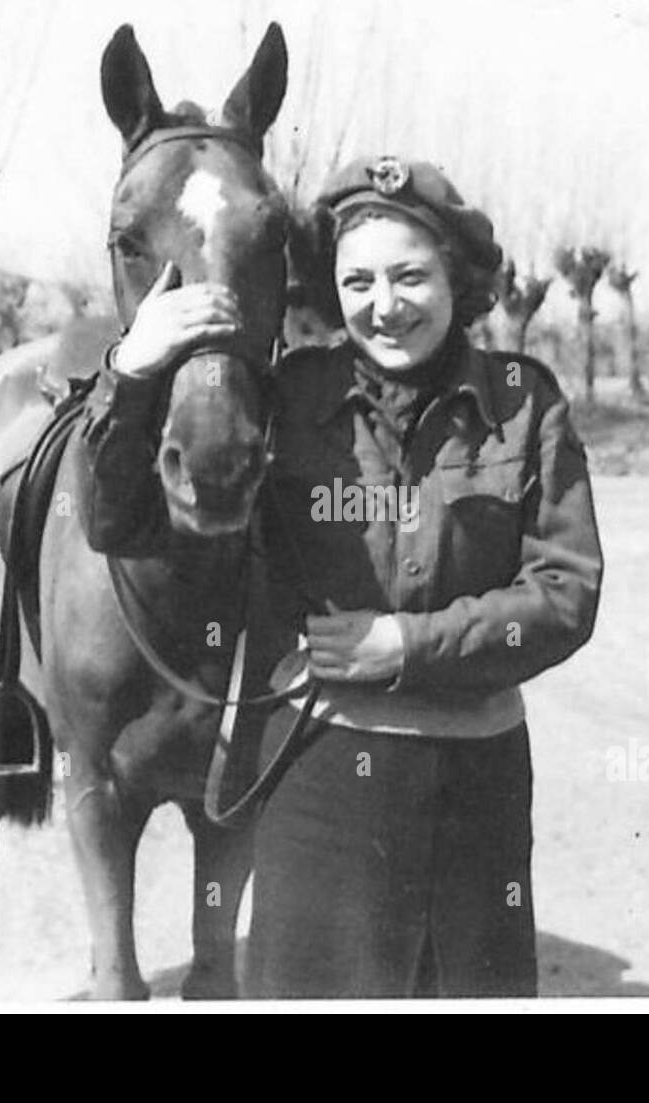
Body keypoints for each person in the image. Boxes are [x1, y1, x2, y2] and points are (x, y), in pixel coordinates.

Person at [79, 155, 604, 998]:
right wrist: (132, 371)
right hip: (317, 785)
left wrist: (405, 643)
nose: (384, 305)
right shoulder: (288, 400)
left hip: (475, 792)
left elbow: (567, 593)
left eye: (410, 276)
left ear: (457, 278)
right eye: (358, 280)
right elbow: (120, 524)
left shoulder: (524, 403)